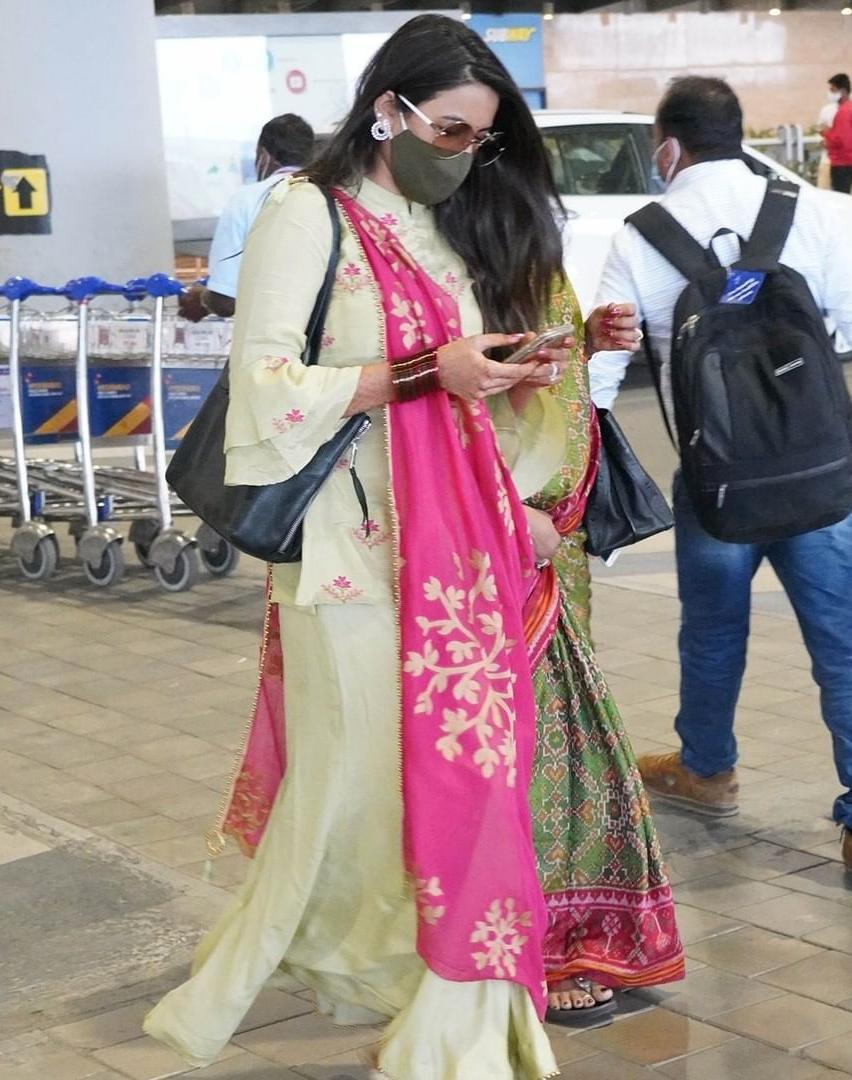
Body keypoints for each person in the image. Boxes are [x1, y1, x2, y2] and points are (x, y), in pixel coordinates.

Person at [143, 15, 641, 1076]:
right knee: (349, 781)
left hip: (453, 561)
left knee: (463, 781)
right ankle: (334, 955)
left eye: (480, 141)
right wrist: (423, 374)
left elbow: (463, 389)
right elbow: (267, 388)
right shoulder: (304, 215)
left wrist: (528, 365)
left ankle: (448, 990)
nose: (463, 155)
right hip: (349, 552)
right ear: (389, 110)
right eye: (449, 130)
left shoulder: (435, 228)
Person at [590, 75, 852, 873]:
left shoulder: (642, 233)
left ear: (667, 145)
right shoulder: (822, 211)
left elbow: (602, 373)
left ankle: (707, 770)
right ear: (739, 132)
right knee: (842, 644)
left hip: (716, 484)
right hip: (819, 476)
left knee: (711, 631)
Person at [525, 286, 685, 1024]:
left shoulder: (532, 237)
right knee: (529, 751)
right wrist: (501, 511)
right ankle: (536, 946)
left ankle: (571, 933)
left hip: (563, 548)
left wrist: (584, 340)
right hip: (493, 548)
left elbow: (537, 373)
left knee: (572, 750)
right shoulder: (442, 229)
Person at [180, 113, 315, 321]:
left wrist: (202, 299)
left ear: (264, 155)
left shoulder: (247, 200)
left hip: (274, 338)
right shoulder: (332, 196)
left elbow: (226, 301)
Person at [823, 73, 852, 194]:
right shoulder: (847, 109)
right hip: (846, 161)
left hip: (842, 163)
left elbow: (841, 140)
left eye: (833, 90)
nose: (830, 93)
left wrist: (825, 133)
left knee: (841, 198)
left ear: (843, 90)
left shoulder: (844, 112)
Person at [816, 79, 840, 190]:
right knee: (823, 191)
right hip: (827, 159)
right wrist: (822, 141)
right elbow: (820, 129)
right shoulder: (827, 110)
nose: (830, 93)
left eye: (833, 90)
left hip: (845, 161)